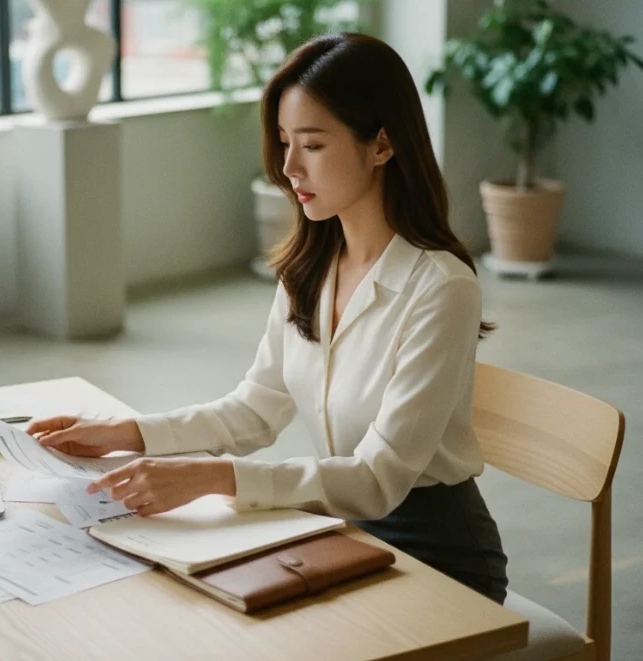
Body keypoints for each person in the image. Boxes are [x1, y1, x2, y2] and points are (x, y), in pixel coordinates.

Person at [27, 33, 508, 604]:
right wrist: (125, 435)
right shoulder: (311, 266)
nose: (288, 167)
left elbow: (378, 480)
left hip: (438, 554)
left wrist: (211, 477)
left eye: (312, 145)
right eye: (284, 143)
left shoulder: (441, 287)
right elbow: (256, 408)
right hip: (338, 527)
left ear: (382, 145)